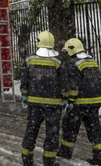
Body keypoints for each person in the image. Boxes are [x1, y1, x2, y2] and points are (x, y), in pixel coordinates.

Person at [57, 38, 101, 165]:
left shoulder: (74, 63)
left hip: (80, 103)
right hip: (95, 102)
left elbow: (74, 86)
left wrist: (70, 101)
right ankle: (99, 156)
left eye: (67, 52)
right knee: (94, 128)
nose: (66, 55)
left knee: (69, 126)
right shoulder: (92, 61)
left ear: (72, 50)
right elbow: (99, 81)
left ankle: (65, 151)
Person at [21, 31, 66, 166]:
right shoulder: (58, 61)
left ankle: (27, 160)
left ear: (38, 42)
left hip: (34, 104)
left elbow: (24, 81)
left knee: (31, 131)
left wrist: (25, 96)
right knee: (52, 134)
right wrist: (64, 99)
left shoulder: (29, 59)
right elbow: (64, 83)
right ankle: (49, 162)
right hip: (53, 106)